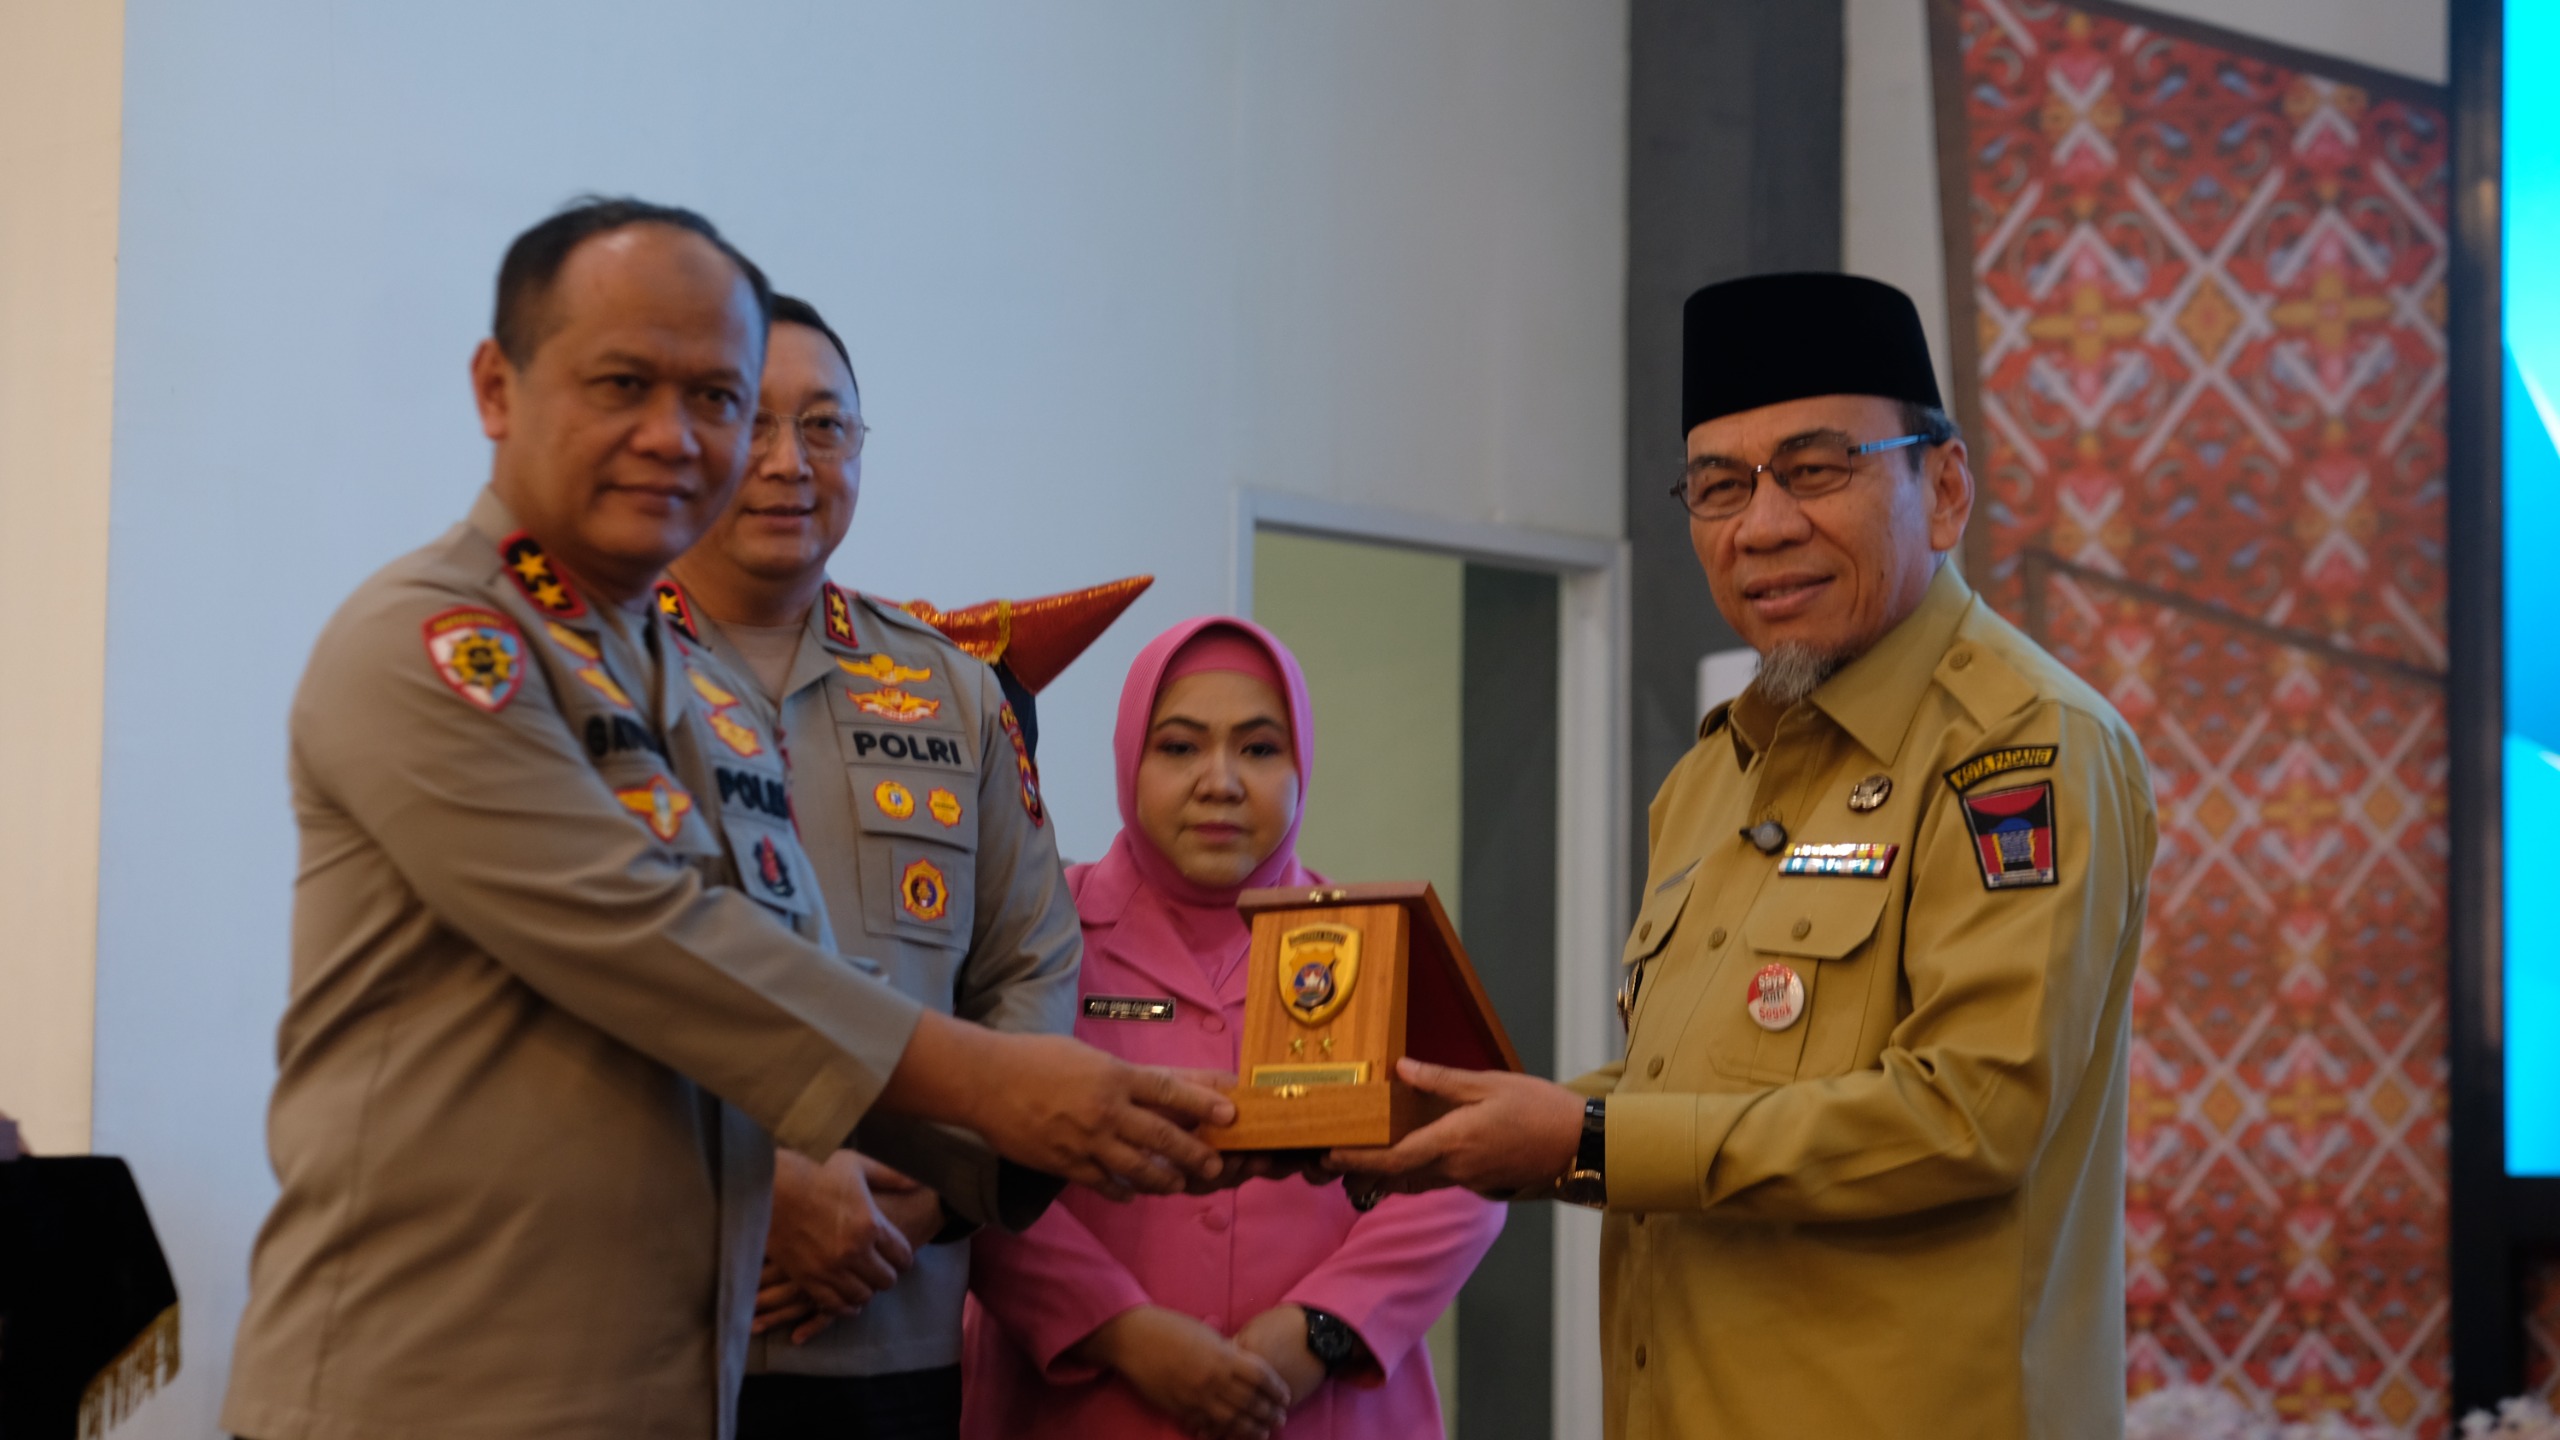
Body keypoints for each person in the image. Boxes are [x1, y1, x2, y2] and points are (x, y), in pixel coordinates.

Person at [220, 198, 1234, 1440]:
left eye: (714, 396)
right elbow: (657, 949)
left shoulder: (676, 680)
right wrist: (998, 1087)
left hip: (661, 1383)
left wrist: (962, 1174)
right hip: (435, 1385)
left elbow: (804, 969)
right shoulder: (440, 641)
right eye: (623, 384)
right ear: (497, 387)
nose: (677, 436)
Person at [1331, 273, 2158, 1440]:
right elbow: (1696, 1102)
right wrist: (1486, 1130)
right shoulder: (1715, 775)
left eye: (1815, 470)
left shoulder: (2019, 746)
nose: (1761, 527)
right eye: (1720, 486)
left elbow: (1970, 1115)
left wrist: (1584, 1142)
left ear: (1945, 488)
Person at [658, 294, 1084, 1440]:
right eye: (751, 421)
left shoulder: (953, 690)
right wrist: (760, 1191)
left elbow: (1032, 960)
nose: (788, 463)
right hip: (650, 1328)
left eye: (824, 426)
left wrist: (943, 1178)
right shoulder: (593, 671)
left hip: (895, 1325)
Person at [962, 617, 1504, 1440]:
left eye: (1258, 749)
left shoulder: (1372, 941)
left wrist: (1321, 1328)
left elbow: (1469, 1169)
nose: (1219, 782)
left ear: (1301, 765)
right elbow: (965, 1158)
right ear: (1130, 760)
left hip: (1319, 1406)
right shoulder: (1036, 930)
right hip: (1079, 1402)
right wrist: (1120, 1329)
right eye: (1179, 747)